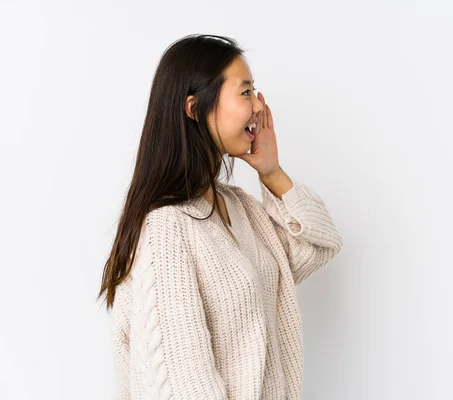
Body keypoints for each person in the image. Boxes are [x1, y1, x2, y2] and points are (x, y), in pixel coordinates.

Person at [97, 34, 343, 400]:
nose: (259, 106)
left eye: (255, 91)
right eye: (245, 92)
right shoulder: (167, 227)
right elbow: (185, 387)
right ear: (194, 108)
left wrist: (272, 173)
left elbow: (316, 248)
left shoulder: (237, 207)